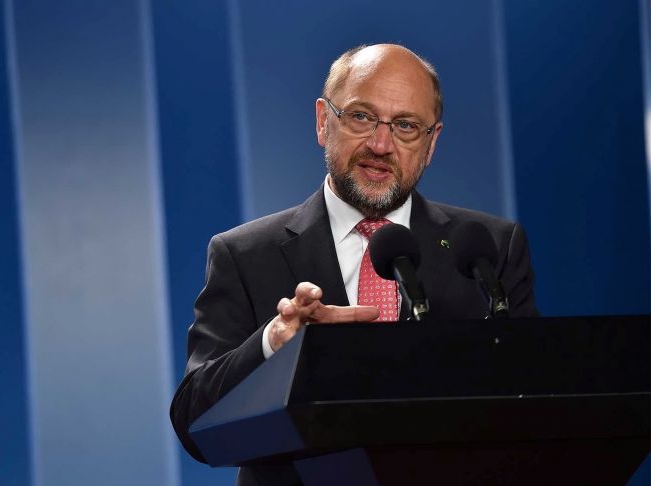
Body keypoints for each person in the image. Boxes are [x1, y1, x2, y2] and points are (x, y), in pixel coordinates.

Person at [170, 43, 538, 485]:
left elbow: (535, 408)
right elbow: (195, 424)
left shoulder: (490, 250)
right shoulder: (245, 254)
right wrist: (273, 343)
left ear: (431, 142)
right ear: (323, 121)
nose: (381, 145)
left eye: (406, 126)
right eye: (361, 116)